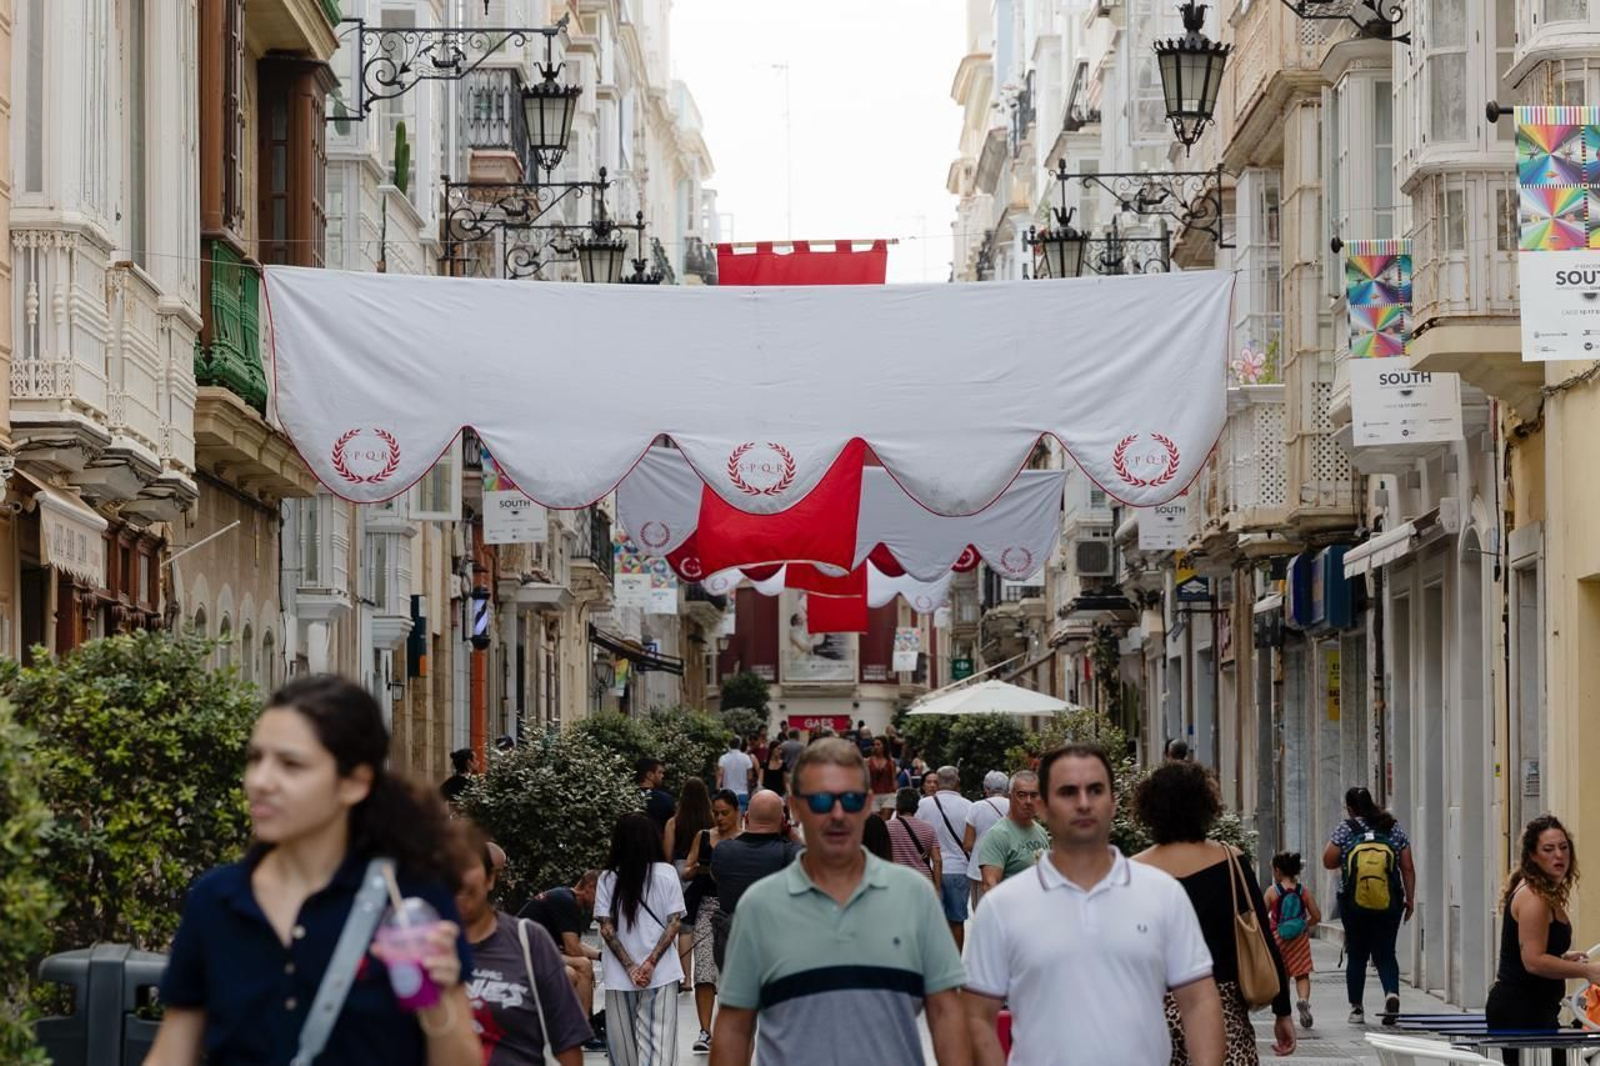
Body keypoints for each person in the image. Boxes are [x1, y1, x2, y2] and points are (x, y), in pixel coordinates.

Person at [148, 675, 481, 1066]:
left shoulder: (408, 896)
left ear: (354, 783)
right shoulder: (216, 900)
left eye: (291, 764)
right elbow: (171, 1053)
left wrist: (437, 994)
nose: (260, 781)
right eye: (256, 758)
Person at [710, 739, 971, 1066]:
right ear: (795, 808)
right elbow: (734, 1029)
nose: (837, 814)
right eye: (821, 800)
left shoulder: (915, 896)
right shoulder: (759, 906)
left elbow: (947, 1014)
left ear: (868, 804)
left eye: (850, 799)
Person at [963, 744, 1225, 1066]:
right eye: (1068, 792)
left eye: (1096, 790)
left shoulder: (1163, 894)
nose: (1084, 803)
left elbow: (1199, 1002)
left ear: (1113, 803)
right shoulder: (1002, 907)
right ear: (1043, 807)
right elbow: (976, 1016)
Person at [1131, 761, 1296, 1063]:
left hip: (1152, 1015)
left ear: (1151, 809)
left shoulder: (1133, 870)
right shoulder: (1230, 861)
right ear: (1205, 806)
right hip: (1221, 1011)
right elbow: (1264, 938)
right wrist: (1282, 1011)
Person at [457, 830, 592, 1065]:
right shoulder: (419, 947)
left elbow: (568, 1046)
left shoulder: (529, 939)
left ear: (491, 878)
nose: (459, 881)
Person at [1487, 815, 1600, 1065]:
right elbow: (1533, 961)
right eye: (1548, 849)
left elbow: (1532, 948)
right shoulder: (1534, 897)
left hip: (1536, 1007)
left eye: (1564, 847)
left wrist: (1562, 957)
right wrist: (1587, 971)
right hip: (1521, 1009)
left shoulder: (1544, 892)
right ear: (1533, 856)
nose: (1559, 855)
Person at [595, 813, 686, 1066]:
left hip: (619, 975)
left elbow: (606, 929)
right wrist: (650, 963)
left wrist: (631, 967)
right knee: (661, 1045)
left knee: (622, 1048)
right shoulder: (667, 873)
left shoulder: (607, 878)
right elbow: (674, 923)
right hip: (661, 972)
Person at [1321, 785, 1415, 1025]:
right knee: (1386, 953)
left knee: (1357, 954)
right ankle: (1391, 993)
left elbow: (1328, 861)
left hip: (1354, 905)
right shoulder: (1392, 827)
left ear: (1350, 808)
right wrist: (1409, 899)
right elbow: (1407, 867)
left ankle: (1356, 1009)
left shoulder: (1347, 828)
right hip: (1389, 903)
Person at [683, 789, 742, 1054]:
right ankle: (705, 1030)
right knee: (704, 969)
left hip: (735, 909)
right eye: (715, 813)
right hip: (707, 905)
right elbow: (686, 870)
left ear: (736, 812)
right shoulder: (704, 836)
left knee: (730, 972)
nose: (719, 818)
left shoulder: (745, 840)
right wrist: (699, 869)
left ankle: (726, 1029)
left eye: (724, 813)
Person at [517, 872, 605, 1049]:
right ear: (590, 888)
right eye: (602, 895)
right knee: (583, 965)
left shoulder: (564, 897)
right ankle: (584, 1030)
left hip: (535, 951)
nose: (602, 903)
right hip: (521, 952)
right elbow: (573, 949)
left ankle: (578, 1027)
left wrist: (602, 957)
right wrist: (588, 967)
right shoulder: (566, 901)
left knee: (573, 971)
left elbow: (574, 944)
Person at [664, 777, 714, 983]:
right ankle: (706, 974)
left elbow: (667, 854)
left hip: (679, 871)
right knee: (701, 918)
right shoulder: (711, 820)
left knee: (684, 925)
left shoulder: (674, 822)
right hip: (704, 871)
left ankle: (685, 979)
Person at [919, 765, 975, 948]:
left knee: (932, 922)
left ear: (938, 782)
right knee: (957, 921)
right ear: (957, 782)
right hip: (959, 869)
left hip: (930, 870)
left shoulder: (923, 805)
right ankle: (955, 961)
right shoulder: (969, 806)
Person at [1264, 851, 1321, 1030]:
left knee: (1283, 976)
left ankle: (1285, 1012)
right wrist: (1304, 924)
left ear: (1278, 871)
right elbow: (1317, 916)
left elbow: (1260, 916)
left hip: (1278, 937)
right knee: (1302, 973)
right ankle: (1303, 1000)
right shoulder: (1303, 891)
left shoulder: (1272, 891)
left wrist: (1271, 928)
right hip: (1299, 939)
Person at [976, 770, 1049, 890]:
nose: (1028, 801)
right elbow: (989, 884)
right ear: (1010, 797)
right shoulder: (998, 835)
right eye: (1021, 795)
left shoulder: (1041, 832)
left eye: (1033, 795)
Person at [964, 771, 1010, 910]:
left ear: (987, 788)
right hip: (1007, 867)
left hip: (980, 869)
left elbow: (968, 844)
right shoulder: (1014, 806)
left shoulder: (976, 807)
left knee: (981, 912)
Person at [888, 787, 943, 889]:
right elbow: (937, 860)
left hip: (897, 881)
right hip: (923, 881)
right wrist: (937, 888)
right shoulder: (928, 828)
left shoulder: (887, 827)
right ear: (917, 807)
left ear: (897, 806)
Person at [715, 737, 755, 812]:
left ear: (729, 745)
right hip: (742, 793)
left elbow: (720, 774)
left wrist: (717, 789)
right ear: (740, 745)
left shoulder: (723, 758)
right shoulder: (746, 758)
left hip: (727, 793)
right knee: (740, 815)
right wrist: (749, 791)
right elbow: (750, 777)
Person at [636, 757, 675, 832]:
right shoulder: (665, 799)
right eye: (659, 772)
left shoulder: (626, 799)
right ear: (649, 775)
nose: (662, 776)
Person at [867, 736, 899, 809]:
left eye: (878, 745)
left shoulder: (891, 762)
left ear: (884, 746)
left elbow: (893, 778)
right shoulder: (868, 762)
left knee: (886, 815)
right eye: (874, 745)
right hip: (873, 794)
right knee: (874, 815)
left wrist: (895, 792)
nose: (876, 747)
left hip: (888, 793)